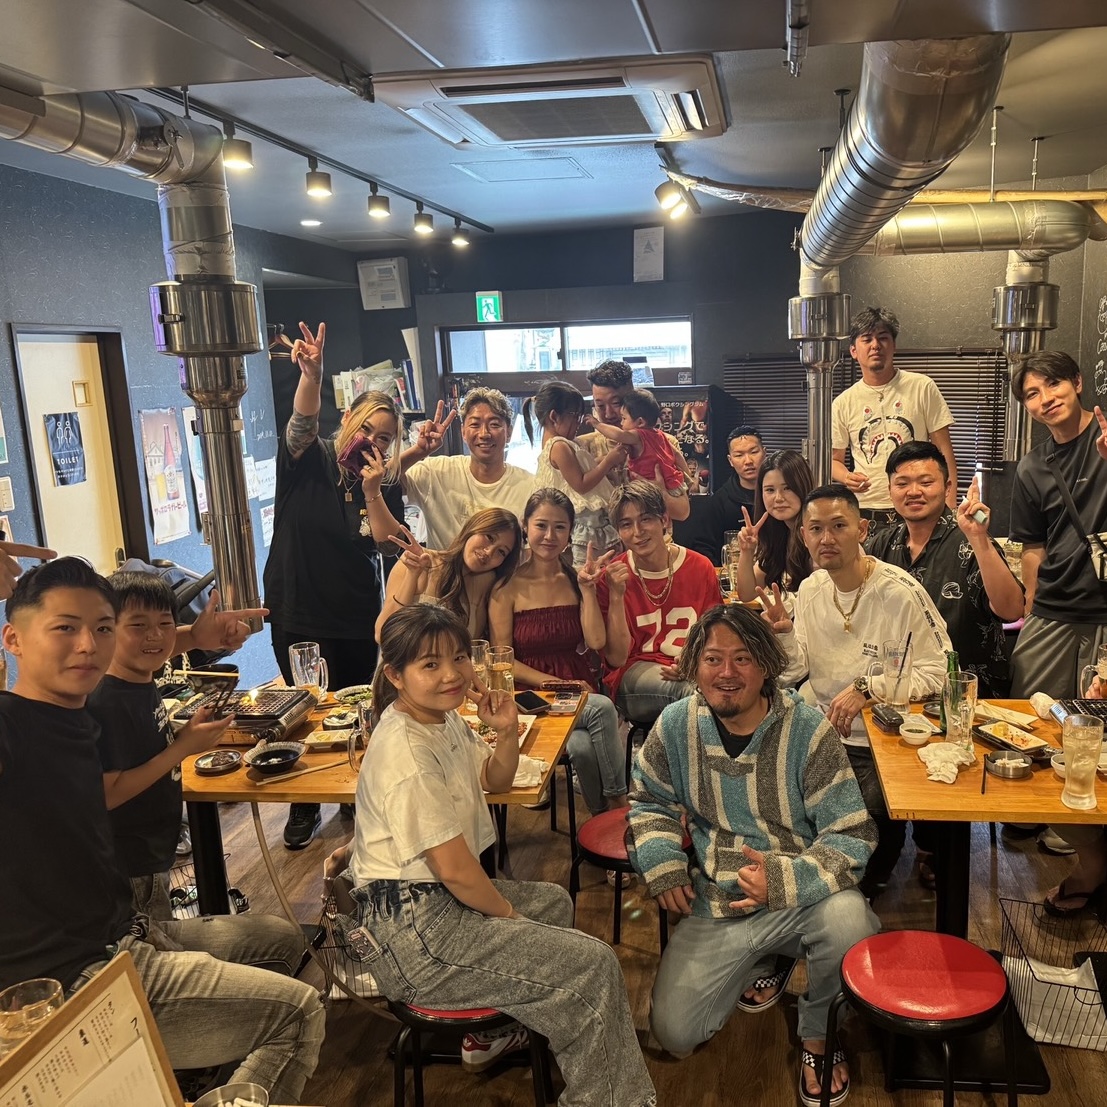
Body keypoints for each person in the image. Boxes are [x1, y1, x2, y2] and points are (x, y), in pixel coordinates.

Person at [0, 557, 324, 1103]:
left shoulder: (75, 712)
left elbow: (133, 651)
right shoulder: (13, 723)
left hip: (126, 932)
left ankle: (189, 1070)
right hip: (73, 978)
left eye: (102, 628)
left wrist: (192, 637)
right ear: (13, 640)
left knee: (284, 942)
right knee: (299, 1013)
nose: (88, 645)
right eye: (65, 628)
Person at [337, 603, 656, 1106]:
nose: (452, 674)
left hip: (430, 906)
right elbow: (456, 871)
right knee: (592, 965)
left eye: (459, 658)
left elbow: (495, 779)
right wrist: (510, 918)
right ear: (395, 675)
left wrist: (506, 730)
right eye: (430, 664)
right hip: (414, 935)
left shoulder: (440, 719)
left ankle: (496, 1031)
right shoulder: (407, 752)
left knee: (553, 903)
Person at [629, 604, 878, 1104]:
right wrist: (664, 864)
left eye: (742, 658)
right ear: (694, 666)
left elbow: (852, 834)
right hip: (718, 901)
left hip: (802, 897)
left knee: (851, 921)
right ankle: (770, 957)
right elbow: (649, 800)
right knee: (676, 1033)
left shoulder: (807, 730)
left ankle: (818, 1034)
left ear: (766, 665)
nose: (726, 673)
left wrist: (783, 882)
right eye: (713, 659)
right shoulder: (675, 725)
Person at [760, 484, 952, 895]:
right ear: (803, 535)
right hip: (825, 732)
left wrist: (869, 687)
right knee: (786, 814)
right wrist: (785, 636)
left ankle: (867, 884)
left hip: (885, 738)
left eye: (838, 526)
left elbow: (942, 672)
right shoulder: (811, 588)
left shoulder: (899, 592)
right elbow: (797, 670)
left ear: (862, 529)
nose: (826, 538)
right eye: (816, 529)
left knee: (867, 837)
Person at [263, 321, 406, 850]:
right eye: (368, 429)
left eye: (385, 438)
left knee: (355, 708)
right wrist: (312, 376)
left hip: (356, 612)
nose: (375, 442)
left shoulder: (382, 480)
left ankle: (352, 792)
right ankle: (304, 802)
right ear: (347, 421)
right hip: (299, 606)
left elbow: (387, 543)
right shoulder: (310, 459)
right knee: (305, 710)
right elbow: (301, 423)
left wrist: (373, 490)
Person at [87, 571, 236, 919]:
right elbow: (108, 793)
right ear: (105, 630)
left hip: (152, 850)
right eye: (138, 625)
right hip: (132, 864)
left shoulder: (137, 675)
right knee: (154, 943)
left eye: (165, 623)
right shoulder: (107, 701)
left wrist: (196, 636)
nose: (155, 635)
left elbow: (159, 645)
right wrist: (183, 747)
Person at [489, 488, 628, 815]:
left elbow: (596, 642)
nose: (550, 536)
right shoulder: (505, 588)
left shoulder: (575, 578)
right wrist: (554, 683)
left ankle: (603, 821)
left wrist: (588, 590)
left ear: (570, 533)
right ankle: (620, 805)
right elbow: (502, 659)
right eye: (541, 525)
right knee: (602, 708)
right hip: (531, 695)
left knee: (582, 747)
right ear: (525, 526)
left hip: (576, 690)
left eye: (560, 527)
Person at [868, 441, 1023, 697]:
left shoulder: (970, 538)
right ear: (890, 490)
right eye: (902, 484)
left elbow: (1012, 610)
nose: (913, 491)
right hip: (898, 692)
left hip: (966, 696)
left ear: (948, 487)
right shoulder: (881, 544)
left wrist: (979, 539)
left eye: (926, 482)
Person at [1007, 351, 1107, 699]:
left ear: (1077, 382)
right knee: (1029, 711)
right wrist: (1031, 608)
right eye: (1032, 394)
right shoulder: (1032, 467)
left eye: (1054, 383)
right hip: (1054, 610)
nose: (1046, 398)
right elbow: (1033, 545)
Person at [596, 481, 723, 724]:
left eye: (645, 519)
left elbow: (715, 634)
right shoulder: (611, 577)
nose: (637, 532)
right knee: (696, 693)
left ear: (664, 519)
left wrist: (694, 661)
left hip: (694, 666)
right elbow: (616, 659)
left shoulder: (699, 566)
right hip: (634, 674)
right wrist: (616, 596)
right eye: (626, 524)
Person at [832, 306, 958, 538]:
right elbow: (834, 460)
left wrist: (950, 508)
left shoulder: (922, 387)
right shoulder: (843, 402)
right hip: (866, 509)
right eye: (867, 339)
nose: (875, 345)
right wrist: (846, 477)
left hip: (918, 503)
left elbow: (944, 451)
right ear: (853, 350)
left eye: (883, 338)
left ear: (894, 345)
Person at [401, 386, 534, 549]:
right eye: (475, 424)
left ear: (509, 433)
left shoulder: (529, 486)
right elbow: (384, 481)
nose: (484, 434)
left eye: (494, 424)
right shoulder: (436, 472)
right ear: (463, 432)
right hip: (442, 567)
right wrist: (418, 451)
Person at [376, 508, 522, 642]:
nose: (489, 552)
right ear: (472, 528)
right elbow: (382, 635)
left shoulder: (485, 583)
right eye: (489, 537)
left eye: (501, 551)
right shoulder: (420, 560)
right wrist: (412, 575)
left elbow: (473, 647)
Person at [576, 358, 691, 520]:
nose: (608, 414)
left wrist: (660, 493)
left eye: (616, 403)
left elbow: (682, 512)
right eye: (600, 405)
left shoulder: (664, 442)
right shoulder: (583, 446)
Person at [523, 380, 624, 565]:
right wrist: (608, 461)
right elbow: (581, 484)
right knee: (590, 567)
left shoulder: (565, 443)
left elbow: (582, 469)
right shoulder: (559, 446)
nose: (579, 422)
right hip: (585, 519)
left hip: (586, 518)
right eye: (575, 416)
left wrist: (602, 461)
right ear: (554, 416)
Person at [672, 425, 765, 565]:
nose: (748, 461)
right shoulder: (719, 502)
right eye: (739, 455)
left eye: (754, 452)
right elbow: (704, 548)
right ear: (730, 460)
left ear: (764, 453)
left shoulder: (777, 496)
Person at [732, 448, 815, 601]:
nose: (778, 498)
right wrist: (746, 551)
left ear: (803, 486)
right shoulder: (779, 535)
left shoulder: (817, 534)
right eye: (770, 490)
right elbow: (747, 594)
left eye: (787, 488)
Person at [583, 388, 687, 498]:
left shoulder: (638, 435)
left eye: (624, 418)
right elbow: (676, 454)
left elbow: (618, 434)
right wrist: (687, 471)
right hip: (675, 484)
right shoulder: (660, 435)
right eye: (600, 405)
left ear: (640, 422)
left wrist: (597, 424)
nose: (622, 423)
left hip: (651, 490)